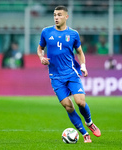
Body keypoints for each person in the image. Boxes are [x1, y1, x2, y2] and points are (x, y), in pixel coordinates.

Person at [37, 5, 101, 143]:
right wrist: (41, 57)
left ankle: (89, 123)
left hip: (71, 73)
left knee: (80, 102)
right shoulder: (46, 32)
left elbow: (79, 52)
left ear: (66, 17)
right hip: (55, 77)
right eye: (54, 15)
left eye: (59, 15)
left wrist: (83, 66)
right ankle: (84, 134)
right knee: (68, 106)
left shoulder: (73, 34)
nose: (56, 17)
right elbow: (40, 48)